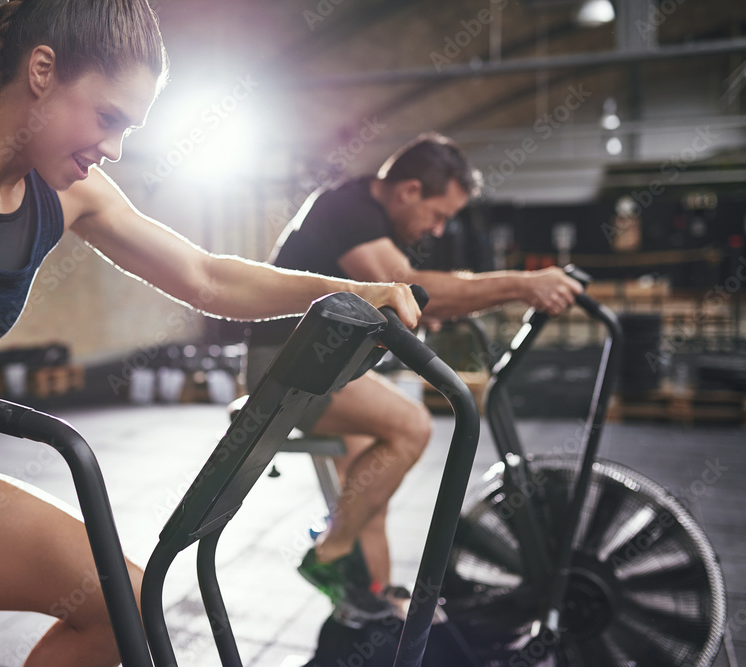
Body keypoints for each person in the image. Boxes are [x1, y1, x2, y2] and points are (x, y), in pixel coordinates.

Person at [0, 2, 422, 665]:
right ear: (42, 70)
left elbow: (205, 276)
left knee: (127, 611)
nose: (115, 148)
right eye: (109, 118)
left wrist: (350, 292)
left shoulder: (69, 192)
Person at [246, 132, 583, 615]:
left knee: (369, 500)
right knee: (410, 426)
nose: (440, 230)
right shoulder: (349, 210)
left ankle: (370, 605)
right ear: (408, 191)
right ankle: (327, 555)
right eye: (438, 215)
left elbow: (406, 298)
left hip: (329, 368)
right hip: (288, 366)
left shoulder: (368, 211)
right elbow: (413, 289)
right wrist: (524, 284)